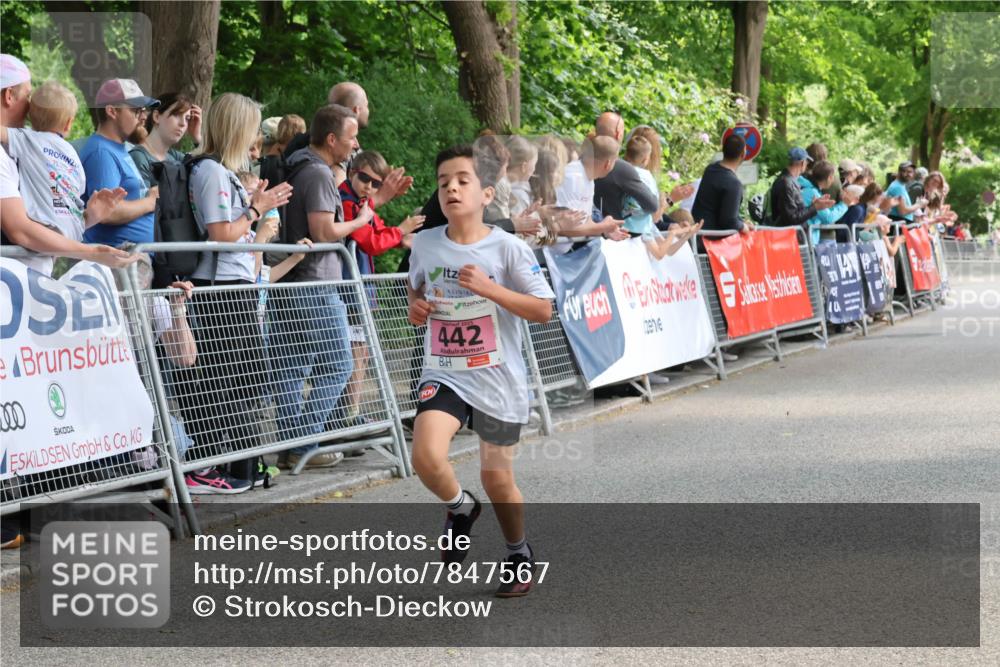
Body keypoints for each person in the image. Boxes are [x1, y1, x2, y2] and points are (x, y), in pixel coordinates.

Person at [407, 144, 554, 597]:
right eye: (443, 181)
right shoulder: (427, 242)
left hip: (497, 376)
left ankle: (518, 552)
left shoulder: (507, 247)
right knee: (426, 456)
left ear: (487, 193)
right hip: (446, 371)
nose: (451, 187)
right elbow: (415, 292)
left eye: (462, 180)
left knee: (497, 478)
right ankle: (459, 508)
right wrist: (416, 307)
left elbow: (544, 309)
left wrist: (491, 289)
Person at [182, 92, 291, 484]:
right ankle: (217, 466)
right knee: (234, 378)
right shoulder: (212, 171)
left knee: (243, 378)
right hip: (223, 285)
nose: (254, 141)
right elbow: (222, 233)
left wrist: (254, 205)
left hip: (234, 282)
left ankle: (240, 464)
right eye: (250, 130)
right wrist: (257, 209)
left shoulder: (216, 169)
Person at [271, 104, 369, 469]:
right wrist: (359, 220)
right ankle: (305, 441)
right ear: (332, 139)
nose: (356, 143)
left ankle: (291, 445)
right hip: (314, 285)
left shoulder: (301, 165)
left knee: (293, 367)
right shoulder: (316, 173)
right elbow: (324, 232)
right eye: (351, 136)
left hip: (294, 283)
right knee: (339, 364)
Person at [1, 79, 132, 273]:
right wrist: (88, 217)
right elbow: (76, 189)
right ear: (69, 123)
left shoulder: (25, 138)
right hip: (70, 228)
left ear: (30, 116)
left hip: (41, 229)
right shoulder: (72, 154)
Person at [337, 149, 424, 432]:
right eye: (365, 179)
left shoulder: (362, 203)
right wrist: (400, 231)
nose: (370, 187)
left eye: (376, 184)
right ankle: (347, 415)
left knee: (359, 351)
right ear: (353, 172)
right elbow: (369, 241)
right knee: (353, 351)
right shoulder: (348, 202)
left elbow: (379, 232)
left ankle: (353, 412)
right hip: (349, 286)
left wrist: (401, 237)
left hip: (362, 284)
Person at [552, 134, 627, 253]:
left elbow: (586, 221)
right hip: (549, 253)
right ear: (608, 164)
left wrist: (604, 229)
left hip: (564, 252)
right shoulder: (573, 178)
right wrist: (602, 227)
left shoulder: (589, 179)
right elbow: (564, 228)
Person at [592, 112, 659, 221]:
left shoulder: (583, 157)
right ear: (619, 134)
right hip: (615, 231)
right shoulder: (621, 168)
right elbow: (652, 205)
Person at [128, 92, 201, 187]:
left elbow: (209, 169)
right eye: (177, 115)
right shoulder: (139, 157)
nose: (183, 124)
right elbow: (142, 200)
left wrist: (197, 138)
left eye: (187, 118)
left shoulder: (175, 156)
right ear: (157, 117)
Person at [691, 134, 752, 240]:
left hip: (697, 236)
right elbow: (728, 220)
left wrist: (740, 222)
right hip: (711, 245)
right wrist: (743, 227)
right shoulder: (734, 184)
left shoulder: (710, 170)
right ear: (743, 154)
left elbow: (719, 209)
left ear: (723, 150)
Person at [769, 147, 835, 233]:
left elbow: (794, 213)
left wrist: (814, 205)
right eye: (807, 162)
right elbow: (792, 218)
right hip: (789, 238)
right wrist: (814, 207)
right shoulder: (787, 183)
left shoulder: (787, 181)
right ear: (803, 162)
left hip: (791, 237)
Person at [798, 160, 848, 245]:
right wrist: (845, 204)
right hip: (806, 239)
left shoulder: (810, 189)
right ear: (829, 178)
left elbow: (824, 214)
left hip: (806, 237)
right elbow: (828, 218)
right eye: (833, 177)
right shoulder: (812, 193)